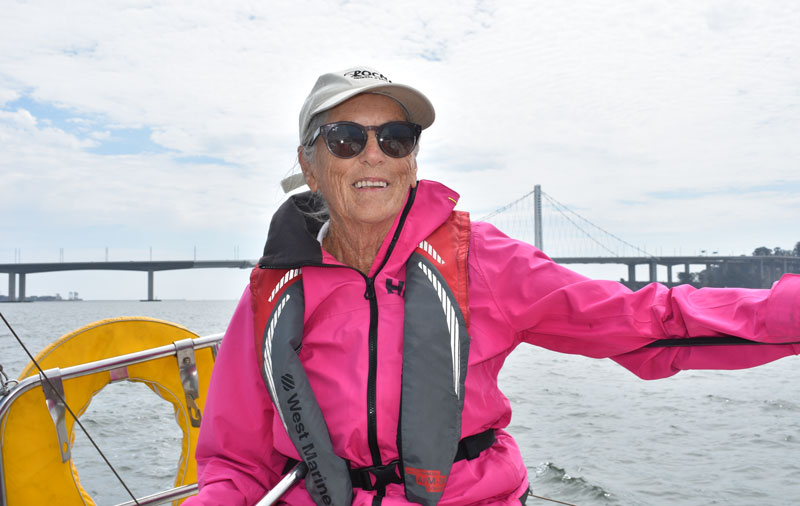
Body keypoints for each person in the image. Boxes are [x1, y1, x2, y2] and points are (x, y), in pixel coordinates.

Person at [183, 66, 800, 506]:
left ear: (412, 159)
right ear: (309, 161)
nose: (374, 155)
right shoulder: (273, 291)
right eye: (347, 138)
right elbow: (235, 460)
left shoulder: (479, 258)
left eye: (395, 138)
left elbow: (649, 320)